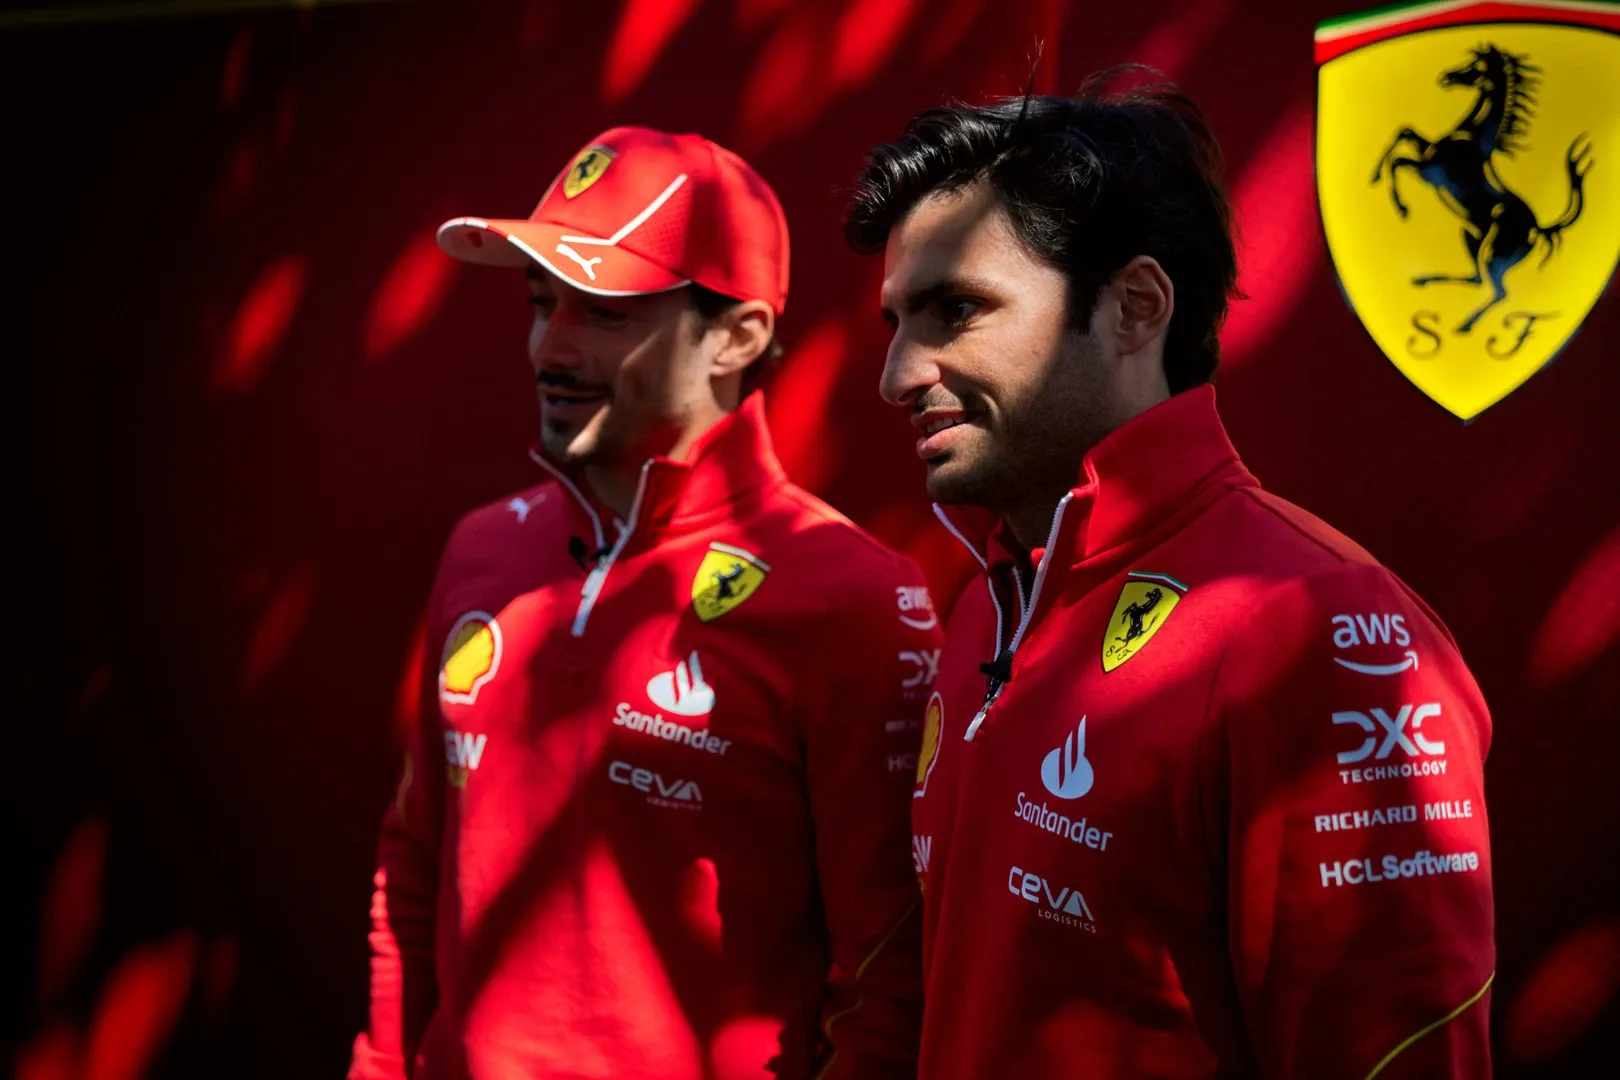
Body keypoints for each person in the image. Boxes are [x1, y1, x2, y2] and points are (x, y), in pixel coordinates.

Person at [844, 71, 1495, 1079]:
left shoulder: (1323, 627)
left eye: (955, 309)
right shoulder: (985, 609)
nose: (896, 376)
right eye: (896, 320)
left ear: (1135, 307)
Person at [350, 126, 940, 1080]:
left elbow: (887, 972)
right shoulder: (481, 549)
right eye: (542, 305)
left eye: (602, 313)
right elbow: (412, 868)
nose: (551, 346)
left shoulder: (858, 600)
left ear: (739, 336)